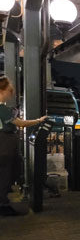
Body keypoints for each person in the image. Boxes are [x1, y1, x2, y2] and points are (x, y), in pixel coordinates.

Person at [0, 76, 48, 212]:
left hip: (4, 145)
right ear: (2, 90)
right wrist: (39, 120)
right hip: (5, 146)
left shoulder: (4, 109)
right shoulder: (1, 109)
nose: (12, 94)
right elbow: (20, 124)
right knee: (5, 174)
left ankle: (3, 202)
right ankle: (3, 205)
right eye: (10, 91)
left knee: (6, 173)